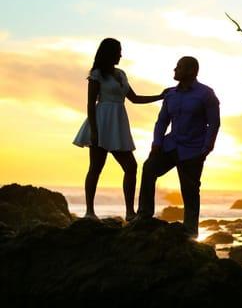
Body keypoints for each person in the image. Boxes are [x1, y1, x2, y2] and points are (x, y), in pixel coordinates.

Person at [73, 38, 165, 221]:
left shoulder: (121, 74)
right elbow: (91, 104)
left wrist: (160, 96)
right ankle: (89, 212)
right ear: (109, 53)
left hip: (118, 124)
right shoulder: (97, 74)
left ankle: (130, 212)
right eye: (118, 51)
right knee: (96, 167)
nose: (121, 55)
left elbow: (135, 98)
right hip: (101, 121)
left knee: (130, 167)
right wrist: (94, 130)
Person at [136, 56, 220, 238]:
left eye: (179, 67)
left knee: (190, 190)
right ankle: (144, 214)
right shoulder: (171, 95)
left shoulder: (206, 94)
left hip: (193, 150)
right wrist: (156, 142)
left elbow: (214, 124)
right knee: (149, 168)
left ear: (191, 71)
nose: (175, 69)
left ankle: (190, 230)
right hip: (169, 145)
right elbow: (162, 121)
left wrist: (206, 149)